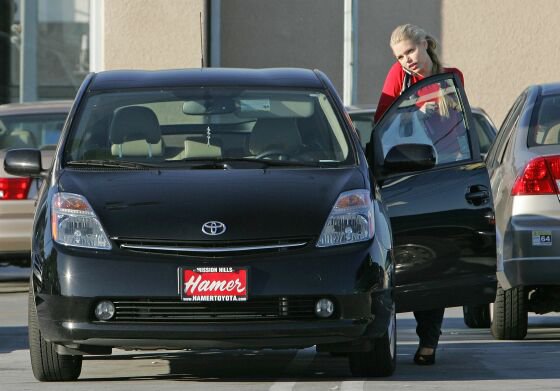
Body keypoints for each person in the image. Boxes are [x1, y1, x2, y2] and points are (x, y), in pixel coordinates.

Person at [374, 23, 465, 366]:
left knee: (436, 261)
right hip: (406, 176)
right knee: (406, 261)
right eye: (400, 56)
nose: (407, 60)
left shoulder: (451, 77)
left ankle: (429, 341)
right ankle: (389, 334)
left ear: (425, 44)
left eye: (410, 51)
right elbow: (384, 123)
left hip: (444, 178)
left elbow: (457, 125)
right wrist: (412, 107)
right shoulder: (398, 77)